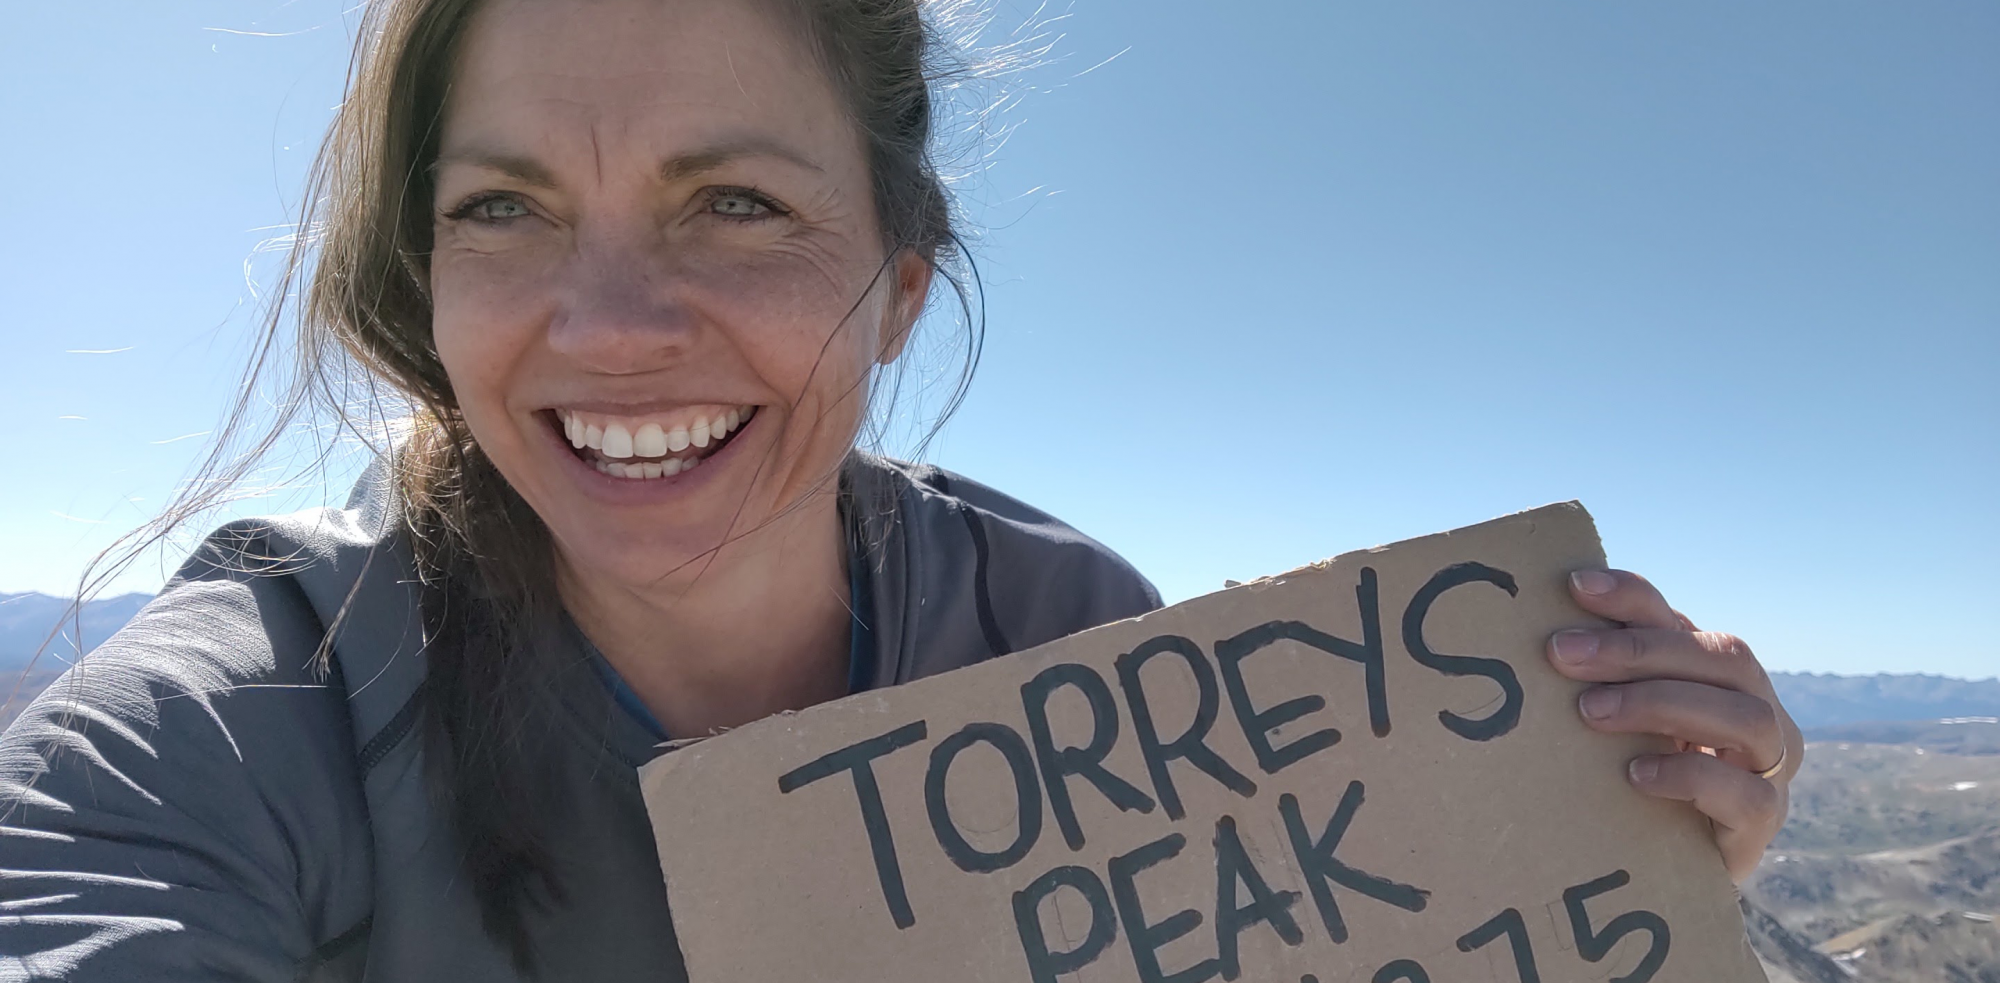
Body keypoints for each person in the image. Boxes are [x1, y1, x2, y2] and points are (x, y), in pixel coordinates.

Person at [0, 0, 1805, 979]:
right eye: (503, 207)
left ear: (905, 281)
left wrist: (1578, 836)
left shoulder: (1066, 633)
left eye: (737, 203)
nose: (613, 329)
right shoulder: (243, 727)